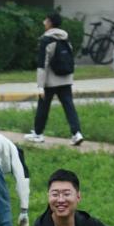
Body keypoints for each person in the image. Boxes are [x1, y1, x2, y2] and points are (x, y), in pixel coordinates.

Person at [25, 12, 83, 145]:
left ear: (50, 23)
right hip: (65, 79)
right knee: (69, 106)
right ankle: (77, 133)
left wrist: (40, 86)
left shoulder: (46, 40)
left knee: (43, 107)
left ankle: (38, 134)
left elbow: (42, 64)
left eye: (45, 20)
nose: (44, 22)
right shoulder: (65, 38)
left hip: (50, 81)